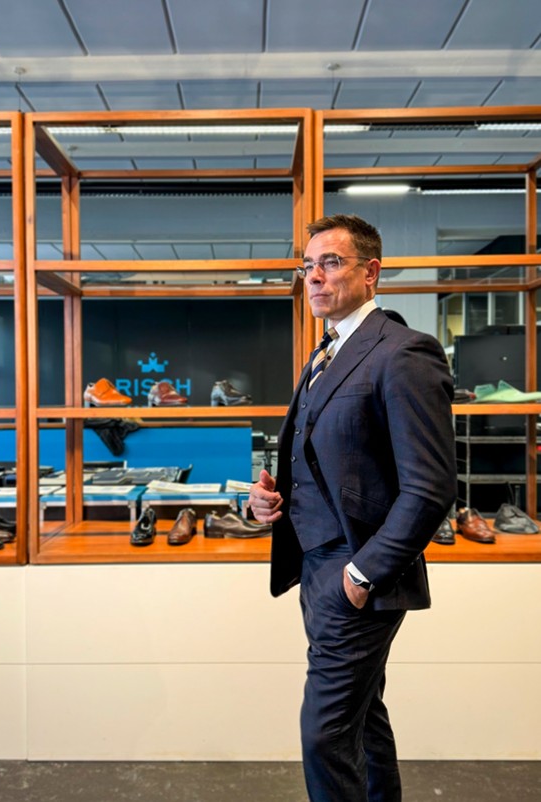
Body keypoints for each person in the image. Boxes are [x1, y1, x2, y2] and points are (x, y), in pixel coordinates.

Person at [248, 214, 456, 802]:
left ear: (371, 273)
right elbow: (332, 463)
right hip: (316, 567)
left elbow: (431, 487)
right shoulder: (328, 352)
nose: (314, 277)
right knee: (362, 719)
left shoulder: (404, 352)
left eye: (330, 263)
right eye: (307, 265)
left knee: (323, 735)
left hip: (356, 572)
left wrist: (362, 575)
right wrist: (273, 501)